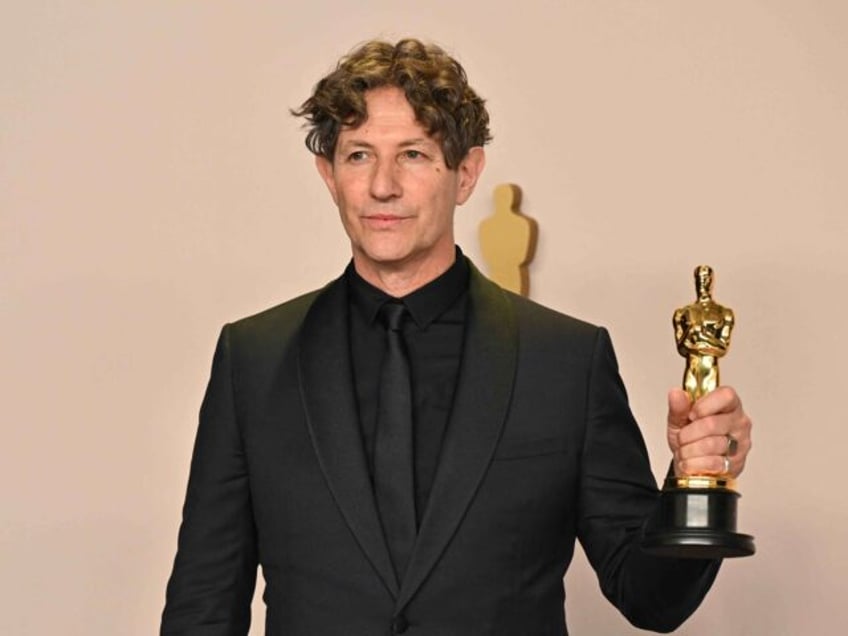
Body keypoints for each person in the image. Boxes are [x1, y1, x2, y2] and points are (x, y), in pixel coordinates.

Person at [161, 39, 753, 635]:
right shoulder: (254, 359)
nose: (382, 186)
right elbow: (204, 604)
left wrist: (695, 481)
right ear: (329, 176)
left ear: (465, 173)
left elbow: (651, 598)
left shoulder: (566, 362)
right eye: (359, 155)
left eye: (413, 155)